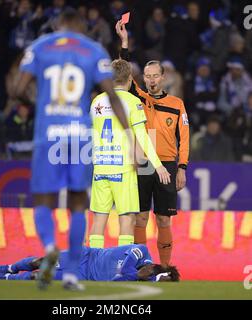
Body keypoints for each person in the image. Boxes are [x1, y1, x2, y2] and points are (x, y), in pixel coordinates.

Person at [15, 9, 132, 292]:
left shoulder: (40, 47)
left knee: (44, 200)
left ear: (58, 25)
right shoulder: (93, 50)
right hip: (78, 136)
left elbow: (17, 90)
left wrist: (39, 103)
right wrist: (130, 134)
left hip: (48, 135)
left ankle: (50, 246)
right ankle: (70, 275)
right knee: (78, 204)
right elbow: (113, 95)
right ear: (81, 27)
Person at [115, 21, 190, 267]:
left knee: (164, 220)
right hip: (143, 163)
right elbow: (123, 71)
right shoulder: (139, 96)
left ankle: (166, 267)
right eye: (147, 76)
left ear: (163, 77)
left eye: (155, 75)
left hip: (167, 164)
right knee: (140, 218)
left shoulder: (177, 104)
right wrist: (124, 43)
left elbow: (185, 138)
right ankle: (141, 265)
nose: (151, 80)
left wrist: (182, 167)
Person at [89, 59, 171, 249]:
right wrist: (158, 166)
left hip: (100, 166)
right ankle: (121, 265)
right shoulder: (132, 102)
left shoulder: (97, 101)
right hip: (123, 168)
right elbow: (142, 136)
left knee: (99, 219)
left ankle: (92, 267)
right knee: (126, 219)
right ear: (130, 79)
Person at [0, 244, 180, 283]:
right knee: (41, 262)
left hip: (83, 275)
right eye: (151, 271)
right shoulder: (141, 251)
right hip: (86, 256)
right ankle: (10, 267)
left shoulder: (141, 279)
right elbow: (125, 270)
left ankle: (4, 278)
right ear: (154, 265)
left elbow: (116, 280)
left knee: (39, 275)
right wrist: (137, 275)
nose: (147, 273)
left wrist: (139, 277)